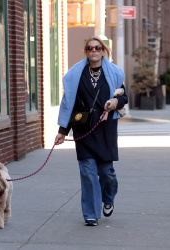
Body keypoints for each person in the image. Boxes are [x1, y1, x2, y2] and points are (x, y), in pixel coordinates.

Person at [55, 36, 128, 226]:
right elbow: (68, 103)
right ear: (86, 51)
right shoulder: (76, 75)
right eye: (90, 48)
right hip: (83, 131)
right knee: (87, 173)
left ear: (103, 50)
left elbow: (124, 97)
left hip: (105, 131)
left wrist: (115, 102)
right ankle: (91, 214)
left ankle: (108, 198)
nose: (94, 51)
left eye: (97, 47)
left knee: (107, 173)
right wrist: (63, 131)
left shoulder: (114, 74)